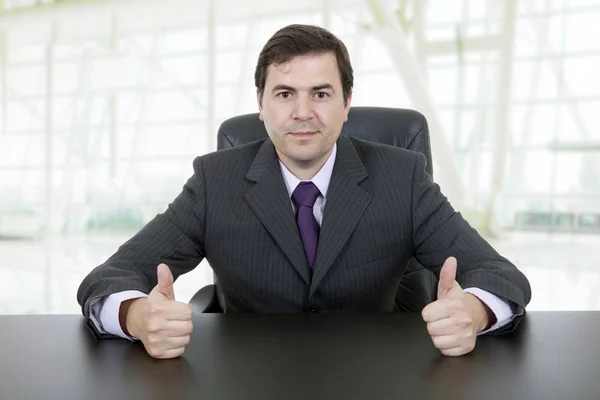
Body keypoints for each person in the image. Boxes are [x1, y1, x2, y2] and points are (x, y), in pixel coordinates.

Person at [77, 24, 531, 359]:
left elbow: (500, 274)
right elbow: (109, 276)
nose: (302, 113)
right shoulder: (216, 181)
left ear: (346, 103)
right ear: (260, 104)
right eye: (284, 94)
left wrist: (475, 311)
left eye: (320, 93)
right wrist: (137, 317)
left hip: (376, 376)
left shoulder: (402, 176)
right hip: (248, 379)